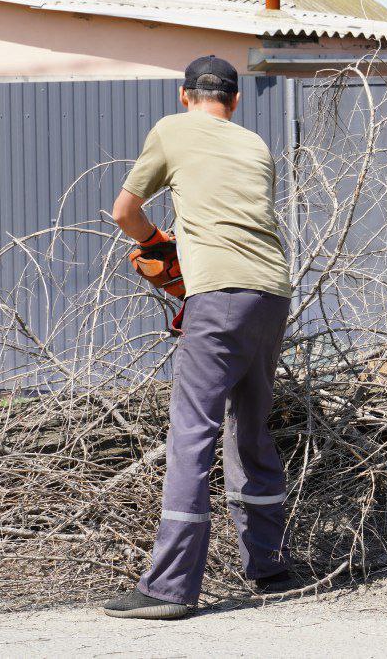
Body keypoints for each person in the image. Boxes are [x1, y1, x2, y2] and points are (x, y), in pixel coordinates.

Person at [102, 56, 297, 620]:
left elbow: (124, 213)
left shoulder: (171, 128)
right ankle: (270, 567)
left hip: (218, 297)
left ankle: (169, 588)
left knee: (192, 433)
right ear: (234, 102)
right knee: (250, 427)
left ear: (185, 95)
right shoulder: (256, 145)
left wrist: (157, 246)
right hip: (272, 292)